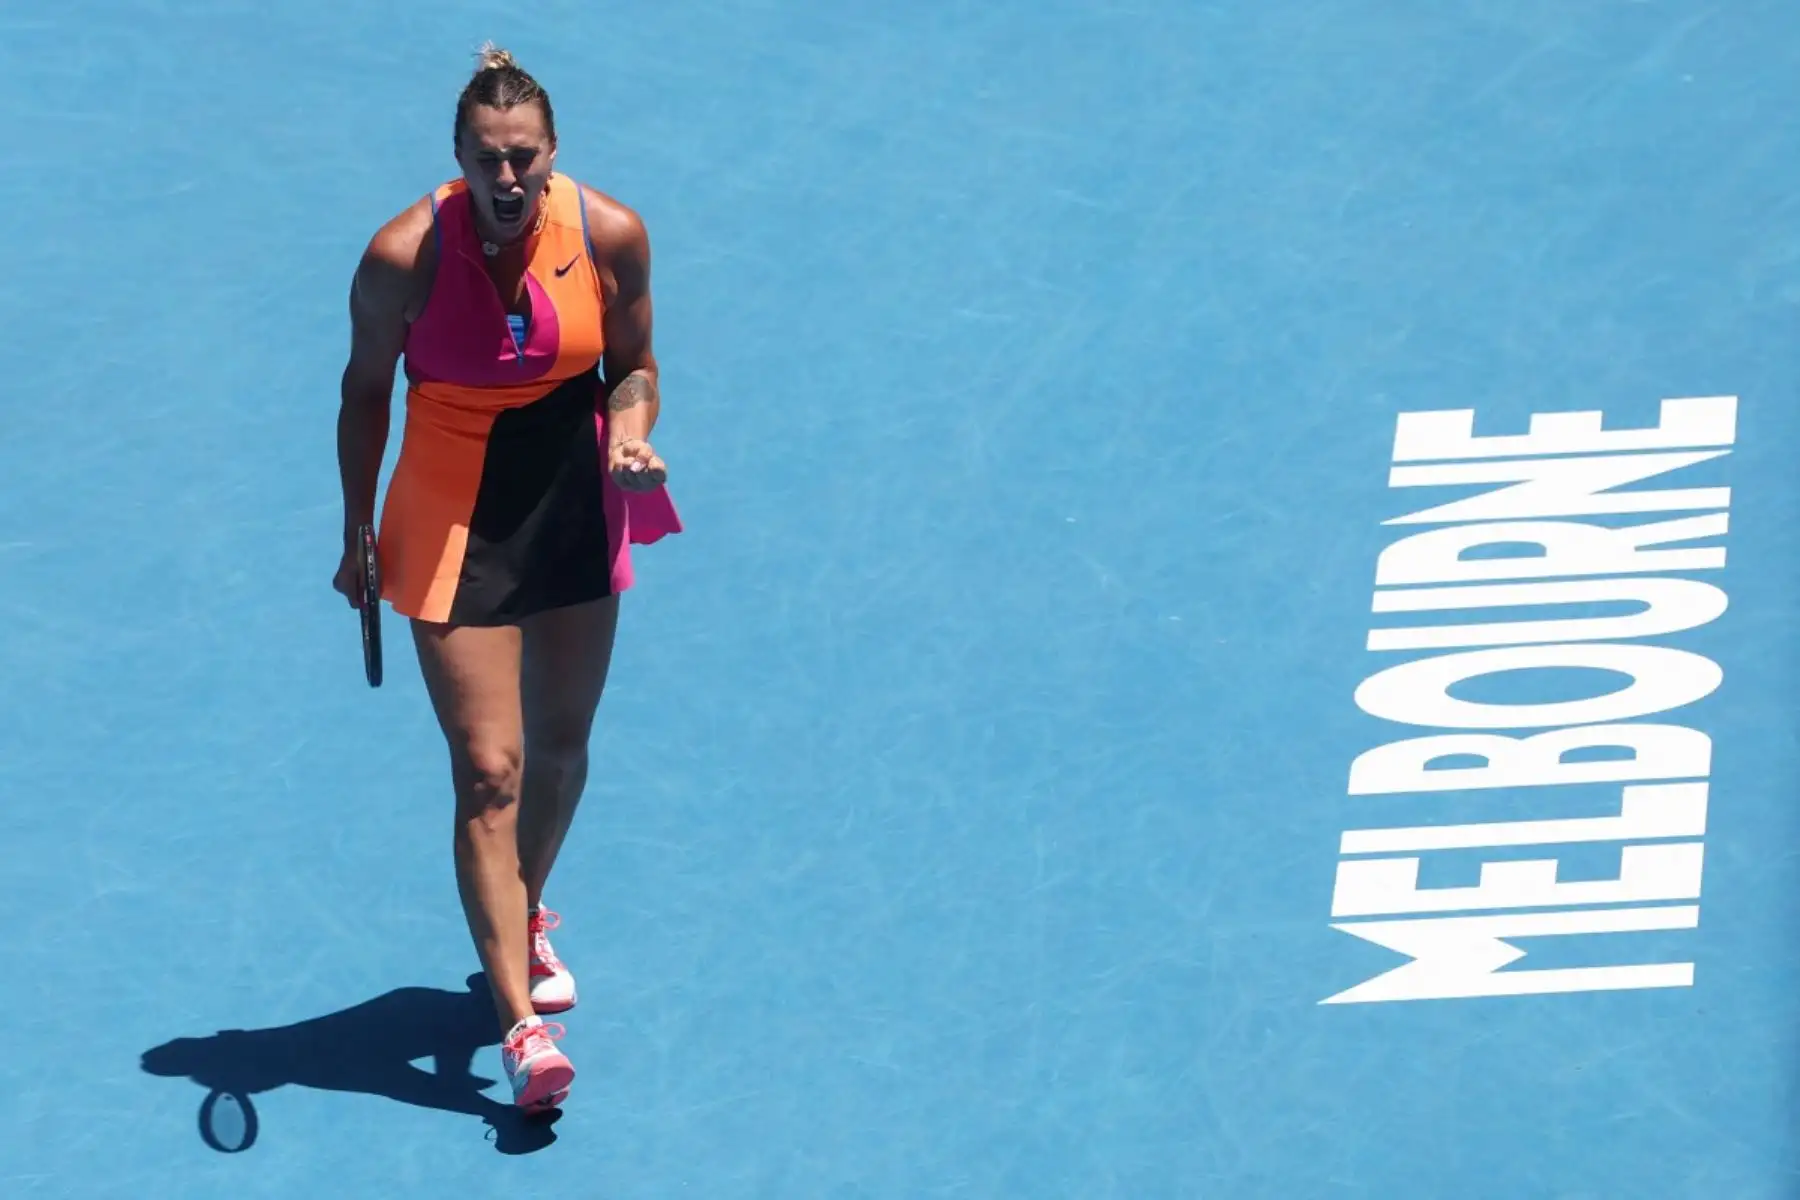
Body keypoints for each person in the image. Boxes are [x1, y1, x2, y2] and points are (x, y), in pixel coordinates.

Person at [332, 43, 682, 1113]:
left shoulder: (612, 234)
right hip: (448, 510)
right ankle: (520, 1028)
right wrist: (356, 530)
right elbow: (363, 394)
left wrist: (630, 431)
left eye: (523, 157)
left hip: (573, 499)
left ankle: (525, 911)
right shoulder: (404, 255)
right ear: (458, 158)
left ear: (552, 152)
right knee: (491, 770)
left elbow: (635, 368)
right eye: (487, 159)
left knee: (563, 752)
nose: (507, 178)